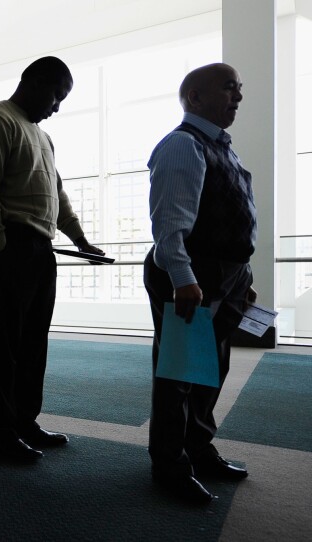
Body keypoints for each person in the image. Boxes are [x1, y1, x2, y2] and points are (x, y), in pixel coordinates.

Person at [0, 56, 104, 462]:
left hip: (40, 248)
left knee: (32, 343)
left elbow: (56, 195)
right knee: (6, 342)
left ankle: (24, 421)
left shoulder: (42, 136)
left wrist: (80, 239)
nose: (57, 106)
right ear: (34, 81)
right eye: (56, 95)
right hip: (11, 244)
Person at [144, 63, 255, 504]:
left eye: (239, 88)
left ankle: (198, 448)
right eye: (230, 88)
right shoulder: (181, 146)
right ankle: (169, 465)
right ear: (194, 97)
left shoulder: (223, 148)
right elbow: (169, 225)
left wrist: (244, 278)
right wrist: (184, 279)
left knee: (213, 370)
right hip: (191, 274)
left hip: (225, 276)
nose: (239, 96)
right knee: (180, 376)